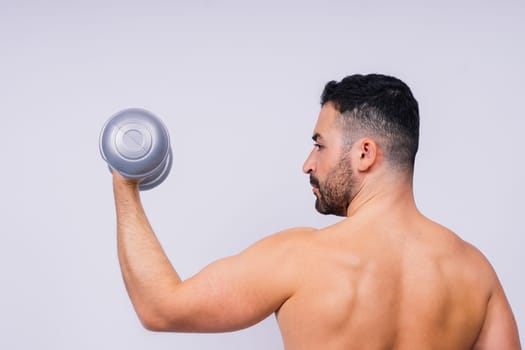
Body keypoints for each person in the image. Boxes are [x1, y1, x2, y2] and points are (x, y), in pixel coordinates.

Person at [111, 74, 521, 349]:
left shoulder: (301, 258)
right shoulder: (476, 274)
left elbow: (161, 307)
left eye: (320, 145)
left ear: (364, 153)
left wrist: (124, 182)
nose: (308, 163)